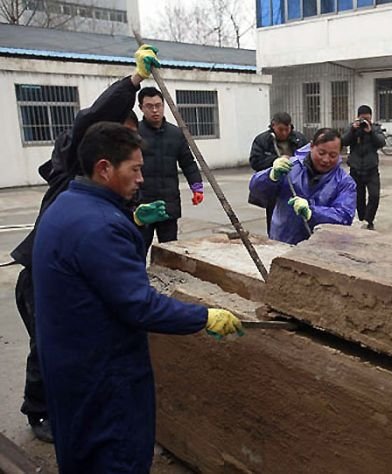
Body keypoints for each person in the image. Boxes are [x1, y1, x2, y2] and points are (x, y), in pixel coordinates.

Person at [32, 121, 244, 472]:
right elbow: (139, 305)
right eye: (135, 169)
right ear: (104, 169)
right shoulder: (99, 226)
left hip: (68, 365)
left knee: (81, 453)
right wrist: (203, 316)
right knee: (118, 456)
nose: (141, 178)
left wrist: (130, 221)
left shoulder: (67, 204)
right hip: (103, 372)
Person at [9, 44, 164, 443]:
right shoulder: (72, 170)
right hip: (40, 276)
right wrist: (134, 81)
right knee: (47, 345)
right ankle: (39, 411)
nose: (131, 157)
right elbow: (92, 117)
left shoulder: (108, 193)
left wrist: (134, 219)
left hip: (68, 273)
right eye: (122, 144)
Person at [248, 128, 356, 245]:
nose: (326, 159)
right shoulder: (290, 168)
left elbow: (344, 216)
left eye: (333, 155)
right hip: (281, 243)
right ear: (311, 146)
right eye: (321, 153)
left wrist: (312, 212)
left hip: (322, 249)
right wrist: (270, 176)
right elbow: (256, 191)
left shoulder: (344, 182)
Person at [137, 86, 204, 251]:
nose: (155, 110)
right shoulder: (134, 133)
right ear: (141, 108)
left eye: (158, 105)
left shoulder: (176, 133)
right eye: (149, 106)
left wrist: (197, 187)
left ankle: (169, 278)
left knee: (170, 249)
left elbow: (188, 162)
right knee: (138, 248)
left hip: (168, 202)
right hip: (142, 203)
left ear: (163, 105)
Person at [249, 112, 309, 235]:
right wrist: (275, 162)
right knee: (274, 217)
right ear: (273, 125)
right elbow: (255, 161)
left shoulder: (299, 139)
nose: (284, 133)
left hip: (297, 184)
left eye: (287, 129)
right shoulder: (262, 140)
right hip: (274, 186)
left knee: (298, 216)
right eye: (280, 129)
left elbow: (308, 158)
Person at [342, 105, 386, 230]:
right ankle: (363, 220)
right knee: (358, 198)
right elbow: (343, 142)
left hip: (371, 169)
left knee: (374, 196)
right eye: (362, 119)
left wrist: (370, 131)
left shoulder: (375, 128)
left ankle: (369, 219)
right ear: (358, 117)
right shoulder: (352, 128)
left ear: (371, 117)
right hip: (356, 169)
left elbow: (381, 142)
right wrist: (352, 130)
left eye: (367, 118)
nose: (364, 121)